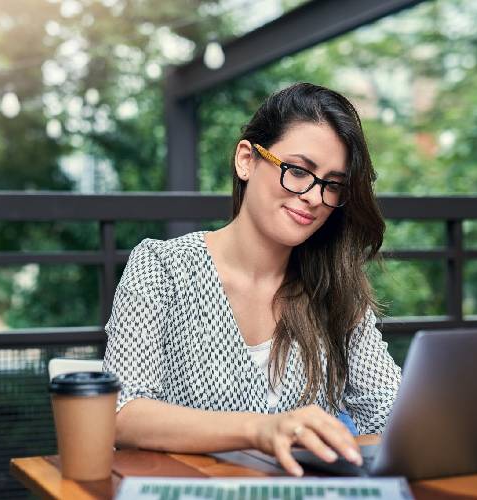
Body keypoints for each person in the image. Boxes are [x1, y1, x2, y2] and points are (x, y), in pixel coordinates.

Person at [102, 82, 402, 477]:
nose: (314, 196)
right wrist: (260, 430)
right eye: (298, 171)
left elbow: (394, 416)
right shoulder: (162, 268)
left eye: (332, 184)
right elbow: (122, 413)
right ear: (247, 160)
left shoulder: (335, 289)